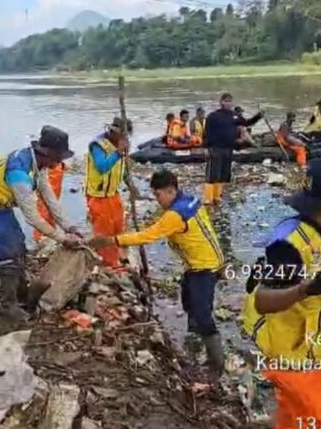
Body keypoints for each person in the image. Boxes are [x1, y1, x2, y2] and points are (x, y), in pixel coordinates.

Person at [241, 155, 321, 429]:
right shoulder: (289, 246)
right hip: (292, 356)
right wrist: (306, 288)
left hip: (308, 345)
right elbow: (263, 300)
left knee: (295, 418)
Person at [88, 169, 225, 373]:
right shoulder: (191, 200)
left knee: (202, 313)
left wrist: (112, 240)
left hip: (204, 268)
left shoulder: (175, 215)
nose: (157, 200)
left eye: (158, 195)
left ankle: (216, 364)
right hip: (201, 262)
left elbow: (149, 235)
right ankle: (194, 343)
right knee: (188, 302)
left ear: (171, 190)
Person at [0, 126, 82, 322]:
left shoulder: (39, 165)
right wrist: (62, 238)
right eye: (58, 157)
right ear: (48, 153)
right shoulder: (19, 171)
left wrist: (69, 226)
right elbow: (32, 217)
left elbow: (49, 198)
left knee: (19, 244)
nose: (59, 162)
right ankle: (8, 307)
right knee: (7, 254)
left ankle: (20, 293)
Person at [84, 117, 136, 267]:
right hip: (97, 195)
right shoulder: (98, 145)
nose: (124, 139)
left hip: (113, 193)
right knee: (104, 231)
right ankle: (109, 263)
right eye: (122, 135)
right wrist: (118, 152)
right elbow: (102, 167)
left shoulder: (123, 145)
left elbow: (124, 167)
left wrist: (130, 185)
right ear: (114, 132)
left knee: (118, 226)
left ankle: (120, 257)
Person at [203, 93, 263, 205]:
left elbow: (247, 122)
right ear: (221, 102)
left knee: (223, 174)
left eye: (230, 101)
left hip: (228, 148)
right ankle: (207, 199)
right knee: (212, 174)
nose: (228, 103)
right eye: (225, 101)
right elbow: (206, 132)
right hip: (215, 148)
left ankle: (217, 197)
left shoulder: (234, 116)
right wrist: (205, 147)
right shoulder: (213, 116)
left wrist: (258, 116)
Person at [33, 161, 66, 242]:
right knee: (45, 208)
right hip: (49, 168)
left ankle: (49, 234)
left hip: (54, 165)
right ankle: (41, 237)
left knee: (51, 207)